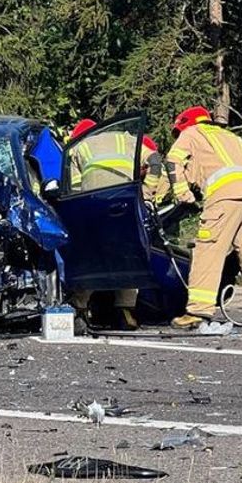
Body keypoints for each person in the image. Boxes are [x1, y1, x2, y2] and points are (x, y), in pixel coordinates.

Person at [162, 106, 242, 331]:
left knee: (208, 251)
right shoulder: (233, 138)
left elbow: (173, 162)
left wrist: (183, 195)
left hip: (225, 195)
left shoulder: (192, 133)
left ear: (185, 124)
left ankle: (197, 312)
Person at [66, 117, 143, 330]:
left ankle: (80, 310)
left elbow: (74, 189)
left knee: (93, 257)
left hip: (96, 206)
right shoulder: (126, 139)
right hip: (125, 205)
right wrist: (149, 193)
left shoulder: (77, 147)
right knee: (128, 257)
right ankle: (126, 312)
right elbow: (154, 160)